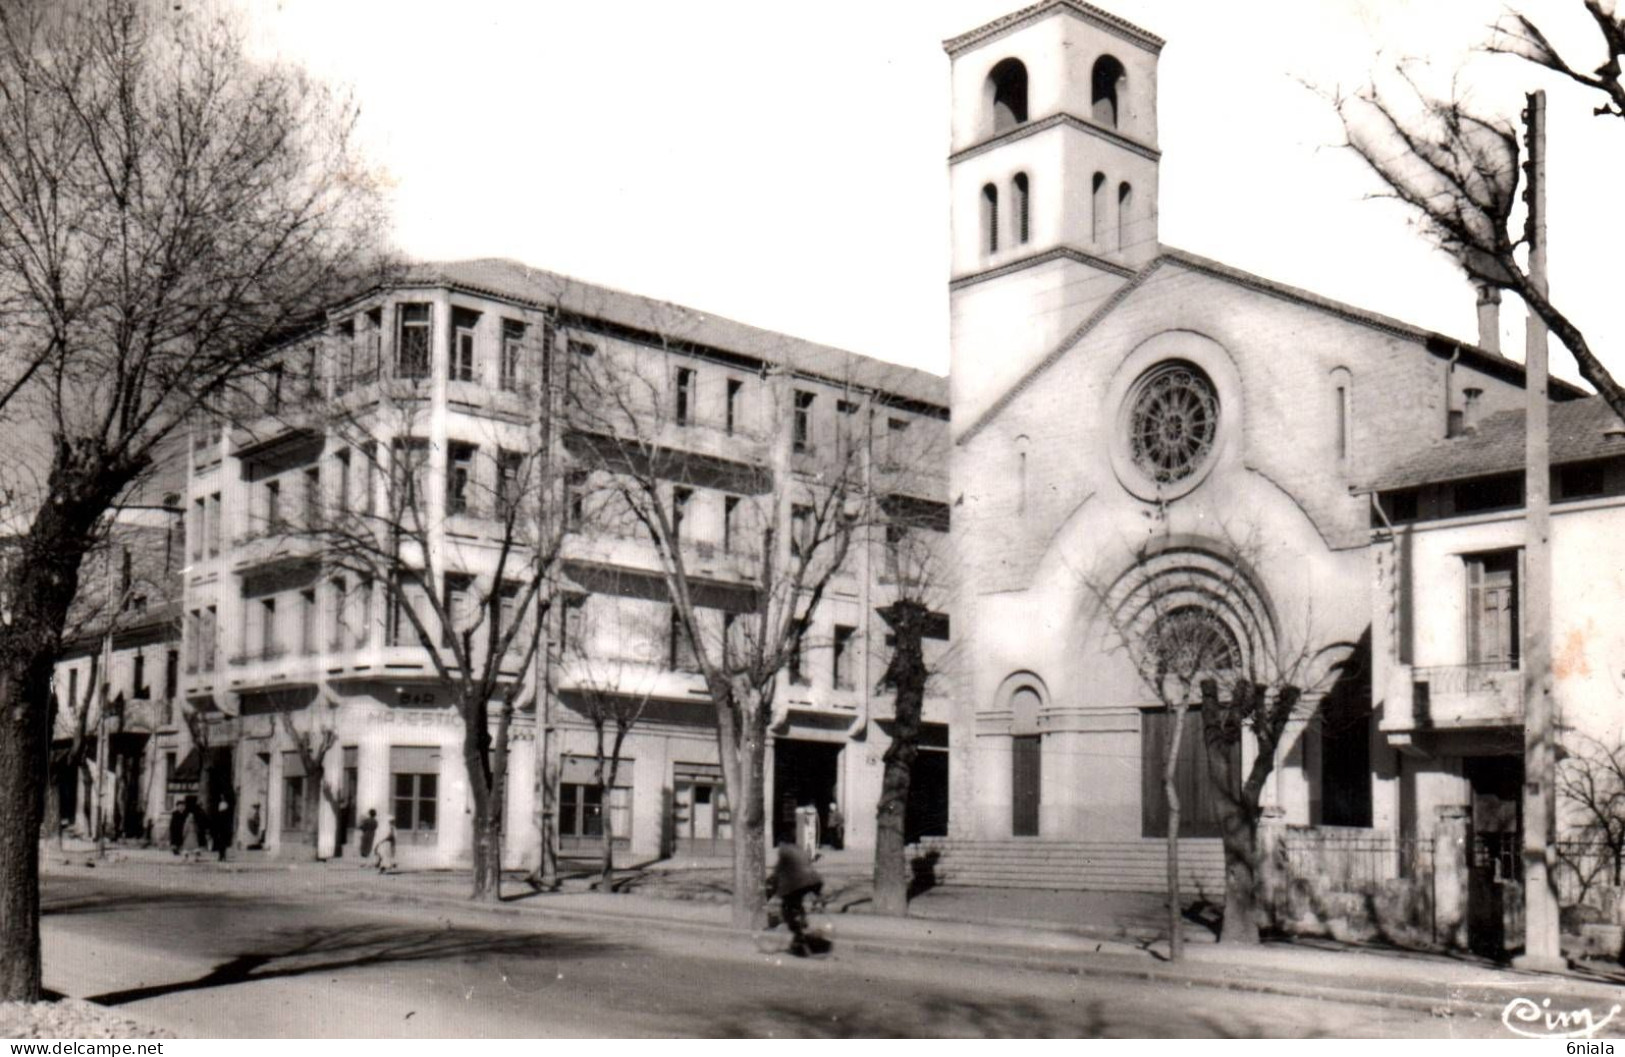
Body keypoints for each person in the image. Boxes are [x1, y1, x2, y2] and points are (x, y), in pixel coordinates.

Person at [770, 841, 827, 957]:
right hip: (814, 882)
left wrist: (773, 887)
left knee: (787, 911)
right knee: (796, 905)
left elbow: (777, 872)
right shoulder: (800, 851)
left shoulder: (784, 854)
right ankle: (802, 925)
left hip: (798, 885)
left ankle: (800, 940)